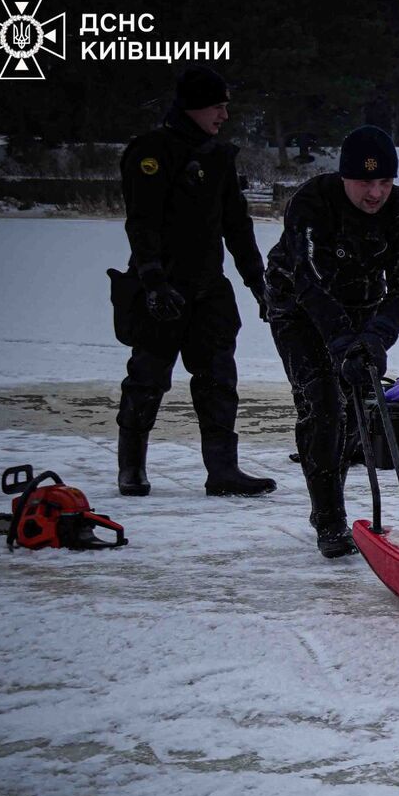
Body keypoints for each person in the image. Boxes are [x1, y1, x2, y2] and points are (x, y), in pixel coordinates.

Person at [263, 125, 399, 558]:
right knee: (322, 403)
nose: (375, 193)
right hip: (299, 306)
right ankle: (329, 517)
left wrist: (375, 338)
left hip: (362, 308)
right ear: (343, 177)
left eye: (384, 182)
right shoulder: (312, 203)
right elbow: (310, 279)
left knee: (356, 404)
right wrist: (341, 342)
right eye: (364, 182)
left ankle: (331, 484)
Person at [116, 66, 275, 498]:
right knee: (147, 378)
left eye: (226, 106)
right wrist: (151, 281)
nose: (224, 115)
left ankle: (223, 469)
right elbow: (141, 223)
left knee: (219, 379)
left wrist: (258, 282)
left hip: (209, 288)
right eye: (217, 107)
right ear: (194, 107)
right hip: (162, 288)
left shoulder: (218, 156)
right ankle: (131, 467)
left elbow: (237, 226)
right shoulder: (149, 153)